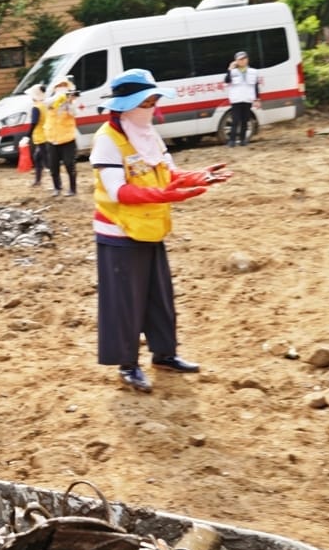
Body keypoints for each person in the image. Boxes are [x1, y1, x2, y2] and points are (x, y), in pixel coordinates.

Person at [90, 68, 231, 394]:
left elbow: (169, 174)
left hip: (151, 227)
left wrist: (197, 177)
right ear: (126, 105)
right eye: (146, 101)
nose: (152, 106)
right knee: (125, 301)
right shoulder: (107, 140)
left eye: (154, 100)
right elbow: (117, 191)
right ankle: (127, 365)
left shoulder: (148, 134)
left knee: (159, 296)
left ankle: (164, 354)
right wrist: (166, 195)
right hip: (120, 233)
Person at [38, 78, 80, 195]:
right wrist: (58, 98)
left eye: (64, 85)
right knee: (53, 165)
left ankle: (72, 189)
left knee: (69, 164)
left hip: (67, 138)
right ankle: (57, 187)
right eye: (59, 85)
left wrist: (69, 101)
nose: (61, 87)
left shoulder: (71, 101)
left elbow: (75, 113)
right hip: (52, 138)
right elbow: (46, 103)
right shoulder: (51, 100)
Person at [223, 51, 261, 147]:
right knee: (235, 120)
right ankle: (232, 141)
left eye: (244, 59)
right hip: (236, 99)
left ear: (247, 59)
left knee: (245, 120)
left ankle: (243, 140)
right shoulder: (233, 72)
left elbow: (256, 86)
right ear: (236, 61)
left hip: (248, 99)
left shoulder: (253, 72)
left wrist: (257, 99)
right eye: (240, 59)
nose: (242, 61)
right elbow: (227, 80)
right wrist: (229, 69)